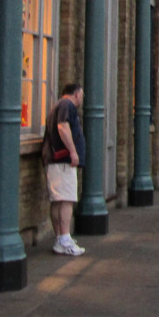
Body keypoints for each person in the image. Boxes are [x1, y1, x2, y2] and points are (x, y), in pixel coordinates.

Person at [43, 83, 87, 256]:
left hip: (55, 160)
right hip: (63, 161)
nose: (81, 99)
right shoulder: (66, 105)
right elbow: (63, 127)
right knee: (67, 199)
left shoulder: (57, 106)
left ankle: (60, 239)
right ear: (76, 94)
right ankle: (65, 239)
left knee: (58, 200)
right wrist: (73, 152)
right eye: (81, 95)